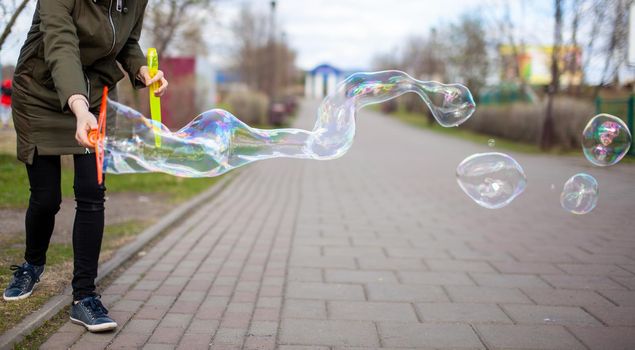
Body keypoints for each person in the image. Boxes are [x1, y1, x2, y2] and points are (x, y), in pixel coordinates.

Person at [4, 0, 168, 333]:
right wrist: (78, 110)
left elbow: (126, 42)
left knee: (92, 192)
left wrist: (141, 70)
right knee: (46, 197)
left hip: (96, 96)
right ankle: (32, 265)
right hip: (40, 93)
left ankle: (84, 296)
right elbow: (62, 48)